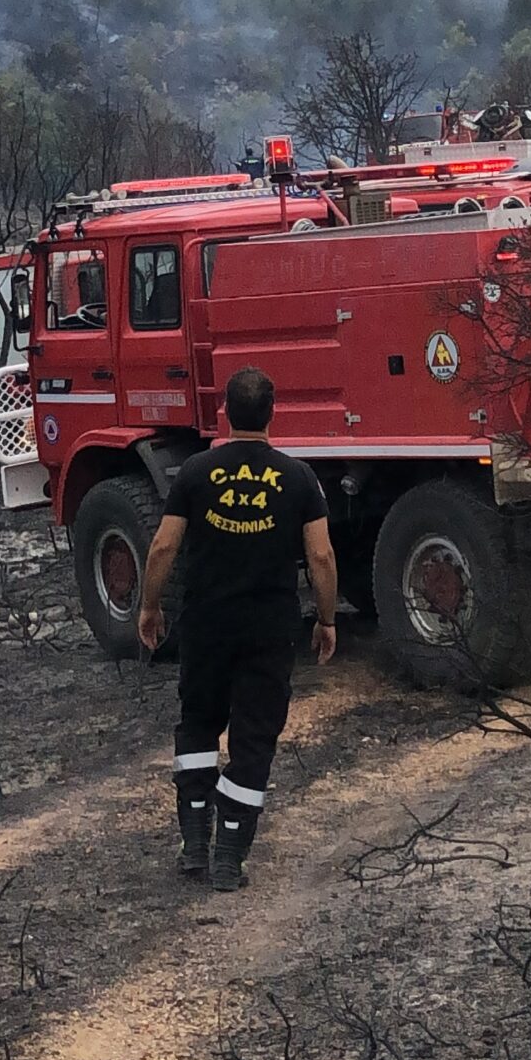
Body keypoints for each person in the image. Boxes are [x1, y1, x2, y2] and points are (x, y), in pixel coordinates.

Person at [139, 365, 337, 891]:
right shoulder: (298, 478)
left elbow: (162, 546)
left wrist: (149, 608)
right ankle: (228, 855)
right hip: (268, 630)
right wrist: (326, 617)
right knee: (253, 739)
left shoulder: (195, 472)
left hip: (206, 624)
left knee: (199, 725)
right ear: (272, 413)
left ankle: (192, 844)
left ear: (225, 411)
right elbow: (319, 556)